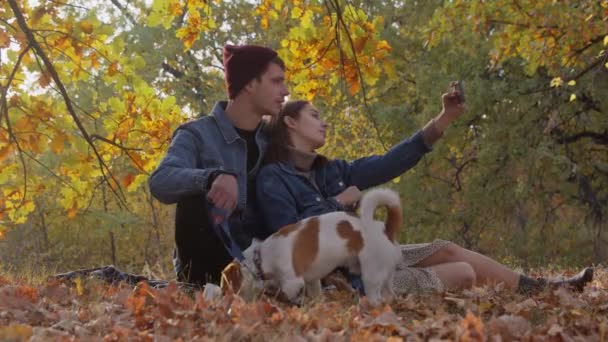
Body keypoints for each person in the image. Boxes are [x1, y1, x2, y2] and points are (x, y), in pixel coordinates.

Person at [255, 92, 594, 295]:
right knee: (464, 274)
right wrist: (338, 203)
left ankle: (546, 288)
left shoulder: (331, 170)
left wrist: (444, 118)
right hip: (345, 285)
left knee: (447, 249)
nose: (324, 122)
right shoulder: (273, 179)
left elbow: (391, 162)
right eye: (314, 116)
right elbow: (293, 242)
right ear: (290, 123)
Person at [149, 44, 290, 286]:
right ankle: (201, 288)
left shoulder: (275, 141)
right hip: (211, 263)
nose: (285, 91)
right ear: (249, 84)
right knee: (195, 193)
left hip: (264, 261)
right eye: (276, 82)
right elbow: (161, 181)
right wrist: (212, 178)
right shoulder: (196, 134)